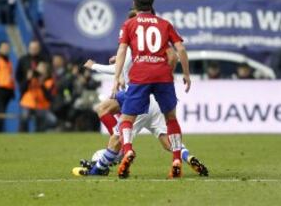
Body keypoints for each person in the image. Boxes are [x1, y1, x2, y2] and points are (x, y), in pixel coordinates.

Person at [73, 51, 208, 177]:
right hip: (155, 100)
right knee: (167, 142)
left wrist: (94, 65)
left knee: (115, 138)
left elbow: (118, 68)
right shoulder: (152, 47)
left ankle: (100, 168)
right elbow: (173, 56)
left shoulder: (132, 44)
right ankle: (187, 156)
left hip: (137, 98)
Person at [113, 0, 191, 179]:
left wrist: (117, 77)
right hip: (163, 74)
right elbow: (180, 49)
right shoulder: (164, 23)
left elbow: (122, 51)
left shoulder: (129, 24)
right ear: (152, 4)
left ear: (134, 4)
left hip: (140, 75)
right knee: (171, 119)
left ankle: (128, 149)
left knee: (126, 120)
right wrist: (187, 74)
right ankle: (176, 160)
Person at [19, 61, 57, 132]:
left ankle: (41, 133)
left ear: (46, 72)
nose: (39, 70)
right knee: (25, 116)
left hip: (42, 108)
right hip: (29, 105)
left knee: (52, 120)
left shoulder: (50, 82)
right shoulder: (32, 78)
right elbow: (22, 89)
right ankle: (22, 134)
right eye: (38, 67)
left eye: (42, 68)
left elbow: (50, 97)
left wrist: (41, 84)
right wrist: (28, 79)